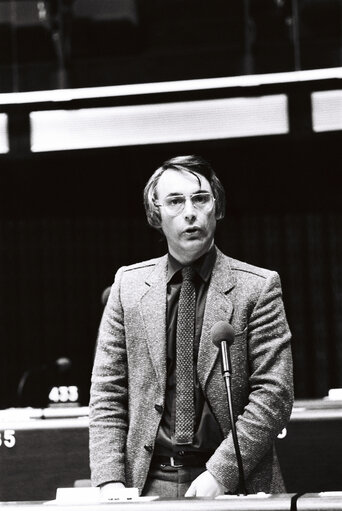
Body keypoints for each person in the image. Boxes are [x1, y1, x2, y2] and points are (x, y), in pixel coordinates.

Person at [89, 155, 293, 498]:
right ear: (156, 214)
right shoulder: (127, 286)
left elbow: (274, 394)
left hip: (232, 480)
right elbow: (108, 393)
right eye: (175, 201)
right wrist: (109, 480)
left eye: (200, 198)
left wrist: (221, 473)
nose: (190, 211)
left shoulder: (258, 287)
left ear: (218, 207)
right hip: (145, 481)